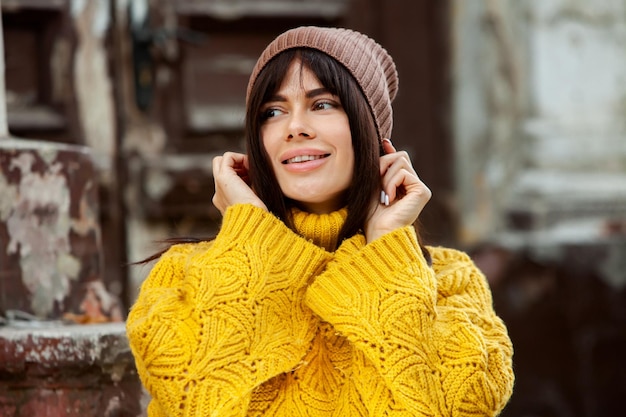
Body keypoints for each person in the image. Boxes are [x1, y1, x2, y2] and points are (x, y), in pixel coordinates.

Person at [126, 26, 514, 416]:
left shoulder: (450, 281)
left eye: (323, 104)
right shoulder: (181, 277)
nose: (295, 127)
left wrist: (388, 255)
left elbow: (460, 408)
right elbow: (195, 403)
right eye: (272, 112)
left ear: (370, 132)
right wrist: (249, 241)